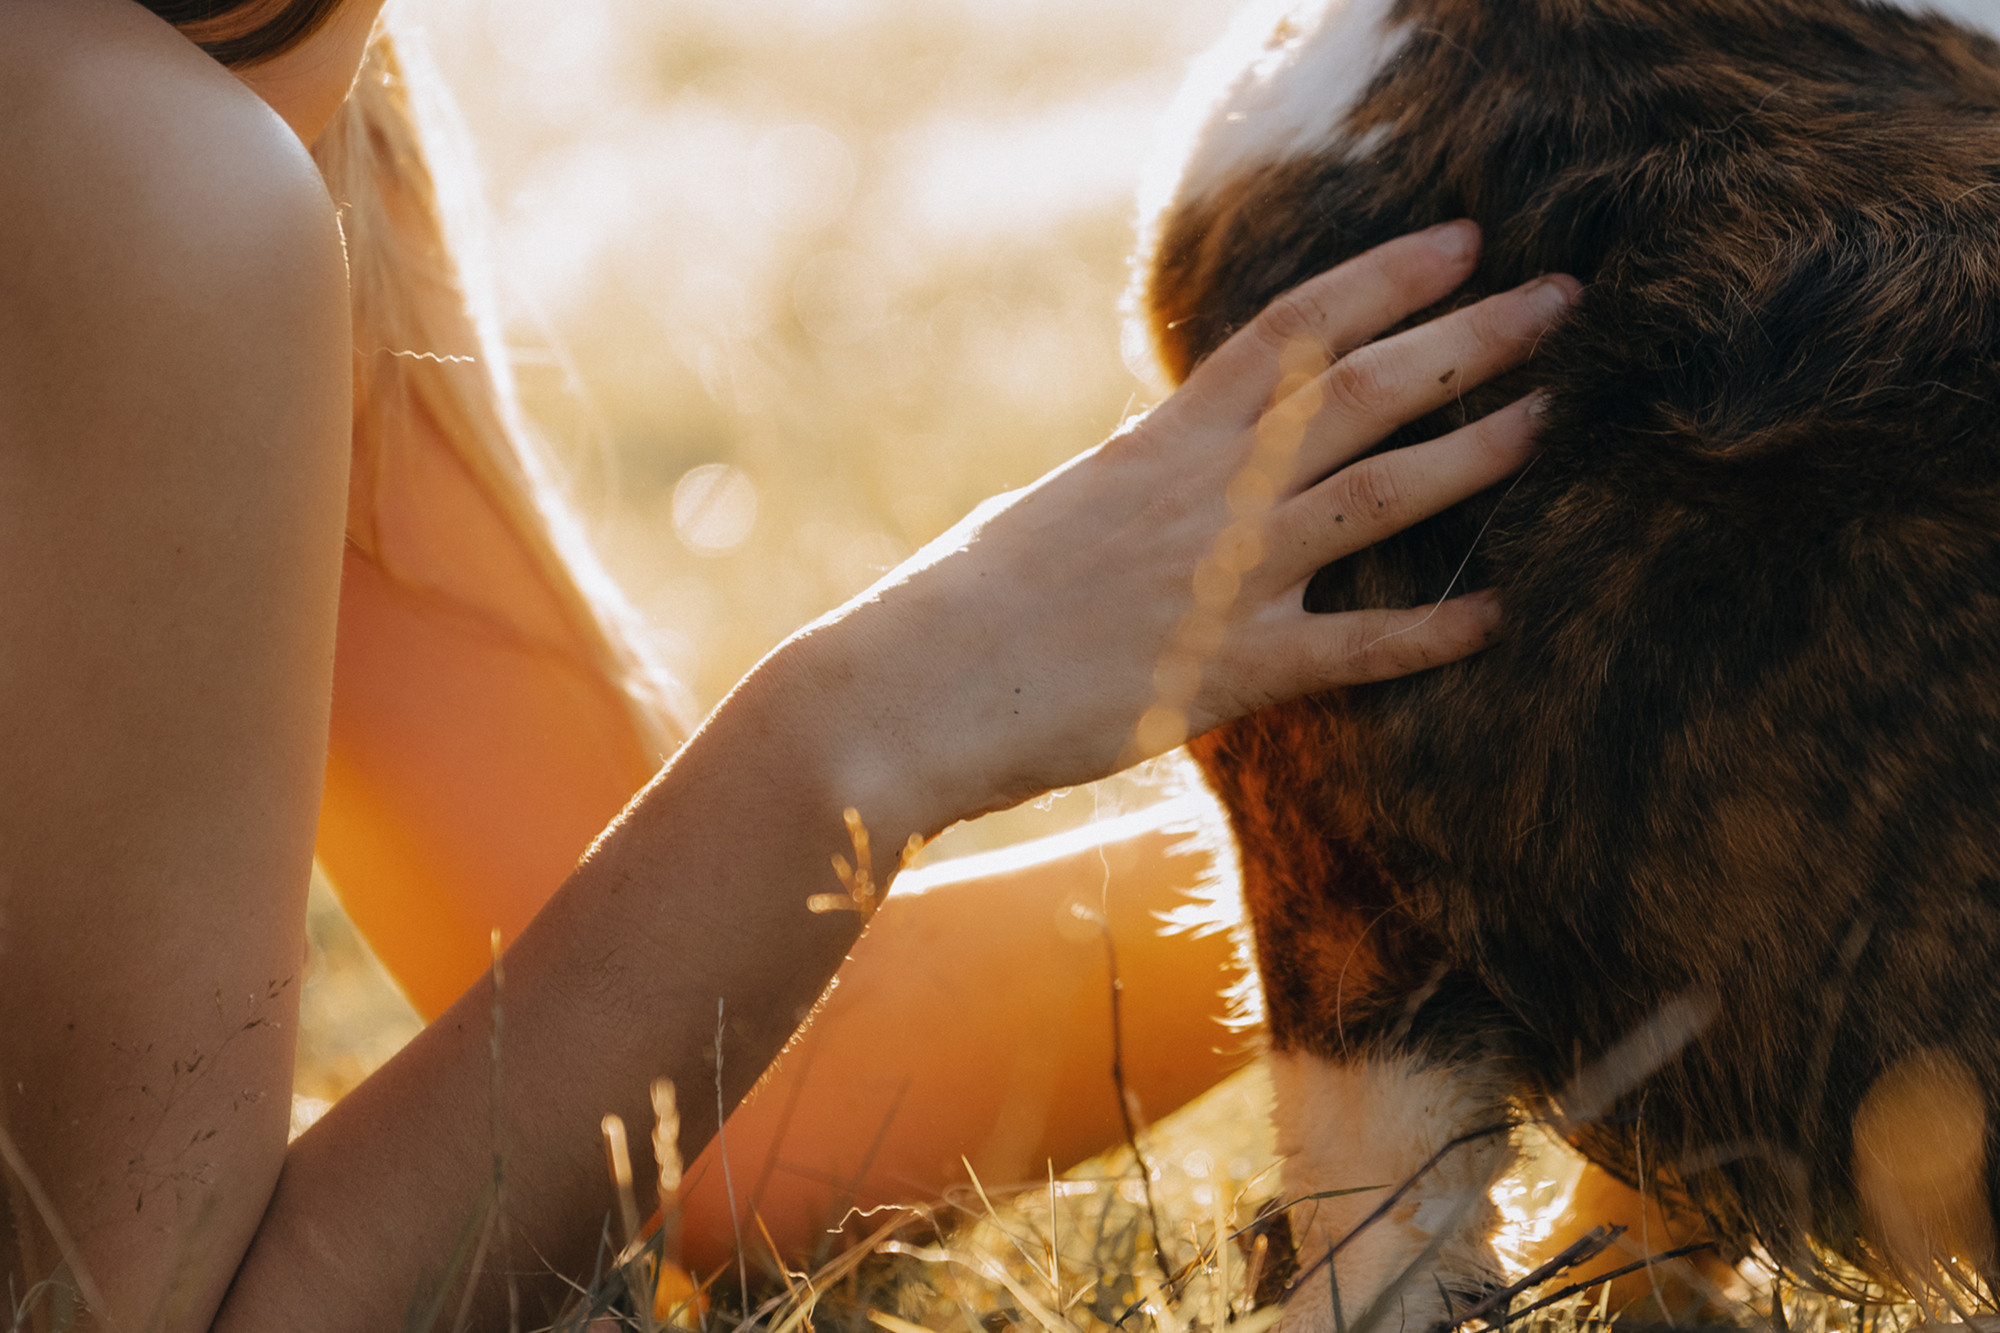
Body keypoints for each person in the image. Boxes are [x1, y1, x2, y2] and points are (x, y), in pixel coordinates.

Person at [0, 0, 1580, 1328]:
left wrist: (1407, 833)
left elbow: (749, 1107)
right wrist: (881, 705)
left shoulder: (289, 116)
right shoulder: (148, 161)